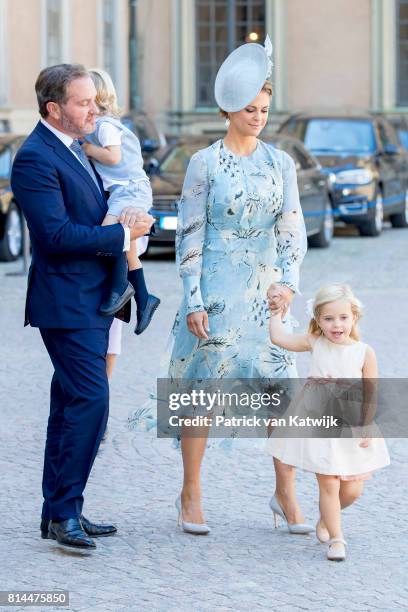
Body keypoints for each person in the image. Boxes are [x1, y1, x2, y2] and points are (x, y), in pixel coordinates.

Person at [169, 37, 313, 535]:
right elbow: (190, 233)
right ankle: (190, 493)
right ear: (229, 109)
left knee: (281, 395)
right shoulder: (204, 163)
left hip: (266, 292)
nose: (258, 117)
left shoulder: (281, 163)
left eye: (265, 109)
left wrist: (289, 285)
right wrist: (193, 299)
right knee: (202, 392)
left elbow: (292, 227)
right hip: (215, 289)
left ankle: (285, 493)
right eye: (250, 109)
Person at [10, 64, 154, 550]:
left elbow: (97, 207)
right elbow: (54, 236)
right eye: (83, 102)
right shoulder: (34, 157)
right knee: (91, 400)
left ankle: (60, 510)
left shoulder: (76, 147)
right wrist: (121, 234)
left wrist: (129, 216)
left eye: (94, 100)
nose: (94, 108)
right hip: (66, 301)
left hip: (92, 300)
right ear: (55, 109)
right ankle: (64, 512)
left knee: (69, 405)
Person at [268, 283, 390, 561]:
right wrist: (276, 311)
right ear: (318, 321)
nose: (337, 325)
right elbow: (279, 338)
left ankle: (326, 516)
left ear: (354, 318)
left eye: (343, 318)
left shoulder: (363, 351)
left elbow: (372, 390)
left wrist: (367, 423)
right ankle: (337, 539)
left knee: (352, 489)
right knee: (329, 483)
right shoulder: (314, 342)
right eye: (329, 319)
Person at [82, 68, 160, 334]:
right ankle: (144, 297)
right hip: (127, 190)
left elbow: (114, 157)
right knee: (127, 245)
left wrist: (89, 150)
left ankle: (120, 288)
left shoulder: (105, 127)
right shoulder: (105, 125)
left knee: (109, 233)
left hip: (129, 191)